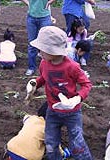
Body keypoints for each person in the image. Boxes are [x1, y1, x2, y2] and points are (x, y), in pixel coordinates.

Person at [25, 26, 93, 159]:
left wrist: (76, 99)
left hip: (72, 112)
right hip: (52, 110)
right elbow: (44, 78)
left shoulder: (72, 67)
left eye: (42, 49)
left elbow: (87, 84)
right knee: (50, 143)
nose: (39, 51)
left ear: (53, 50)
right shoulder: (44, 63)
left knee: (77, 144)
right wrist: (34, 83)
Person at [18, 0, 64, 76]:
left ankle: (47, 69)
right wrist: (28, 3)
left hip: (44, 18)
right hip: (31, 18)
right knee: (32, 43)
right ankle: (31, 67)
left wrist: (49, 2)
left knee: (46, 43)